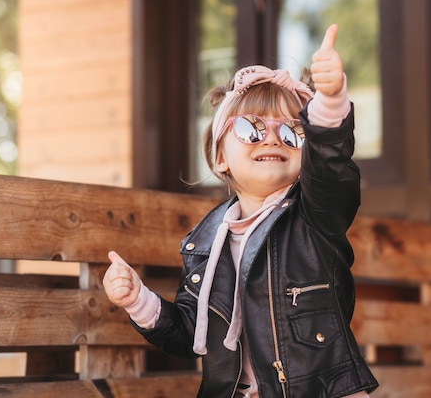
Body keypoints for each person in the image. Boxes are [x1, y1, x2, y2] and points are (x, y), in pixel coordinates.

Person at [103, 24, 379, 397]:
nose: (270, 137)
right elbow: (189, 335)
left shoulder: (315, 216)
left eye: (292, 132)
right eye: (251, 129)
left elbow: (332, 167)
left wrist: (329, 103)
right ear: (221, 157)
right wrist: (139, 301)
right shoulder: (204, 244)